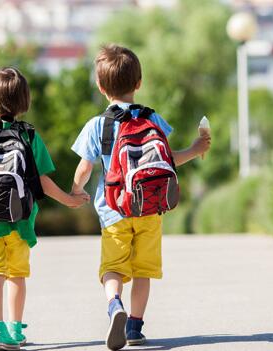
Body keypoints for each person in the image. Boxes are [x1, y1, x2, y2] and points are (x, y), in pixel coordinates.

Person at [70, 44, 211, 350]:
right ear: (139, 83)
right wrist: (196, 149)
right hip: (149, 207)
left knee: (113, 268)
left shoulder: (98, 125)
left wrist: (77, 189)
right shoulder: (153, 119)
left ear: (100, 87)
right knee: (143, 270)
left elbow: (84, 168)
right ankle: (134, 327)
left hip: (113, 210)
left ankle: (114, 305)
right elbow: (167, 159)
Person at [0, 67, 89, 351]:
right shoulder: (28, 135)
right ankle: (15, 330)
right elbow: (41, 180)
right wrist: (69, 199)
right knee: (16, 275)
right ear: (24, 102)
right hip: (20, 220)